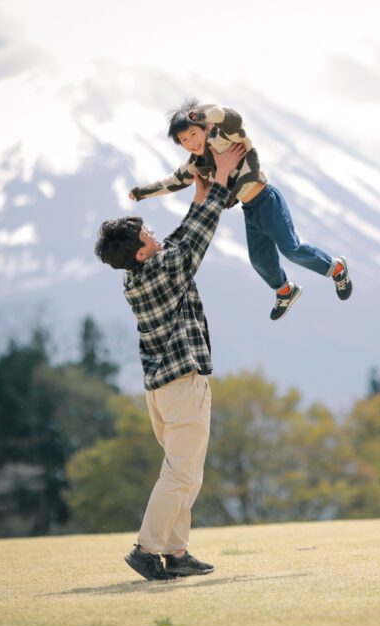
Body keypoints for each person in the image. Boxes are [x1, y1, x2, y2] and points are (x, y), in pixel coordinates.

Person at [94, 143, 247, 581]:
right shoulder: (165, 268)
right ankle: (147, 549)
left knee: (185, 474)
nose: (155, 236)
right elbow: (197, 237)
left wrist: (198, 193)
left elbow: (179, 240)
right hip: (182, 388)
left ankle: (176, 553)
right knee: (181, 475)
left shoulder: (139, 275)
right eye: (147, 237)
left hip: (161, 393)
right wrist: (220, 180)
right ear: (142, 252)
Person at [129, 99, 352, 320]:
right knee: (259, 259)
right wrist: (141, 192)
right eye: (183, 140)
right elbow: (174, 181)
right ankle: (285, 291)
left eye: (193, 134)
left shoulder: (224, 135)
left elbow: (232, 118)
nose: (190, 142)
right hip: (250, 210)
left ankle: (336, 268)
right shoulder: (197, 163)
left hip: (266, 199)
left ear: (205, 127)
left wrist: (203, 113)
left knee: (291, 249)